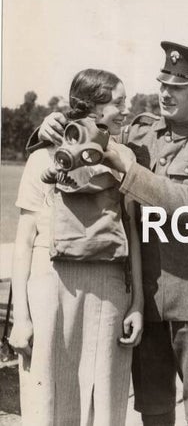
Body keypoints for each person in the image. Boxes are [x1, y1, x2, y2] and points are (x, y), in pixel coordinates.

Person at [33, 42, 188, 426]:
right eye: (163, 83)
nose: (166, 92)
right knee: (153, 407)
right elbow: (88, 132)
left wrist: (130, 171)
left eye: (178, 86)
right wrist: (48, 127)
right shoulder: (137, 131)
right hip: (143, 297)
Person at [9, 68, 143, 426]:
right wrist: (20, 317)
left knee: (104, 396)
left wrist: (138, 303)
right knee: (48, 395)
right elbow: (23, 243)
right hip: (50, 288)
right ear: (95, 109)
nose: (125, 110)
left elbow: (132, 237)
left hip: (109, 293)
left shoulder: (124, 160)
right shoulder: (42, 159)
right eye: (119, 103)